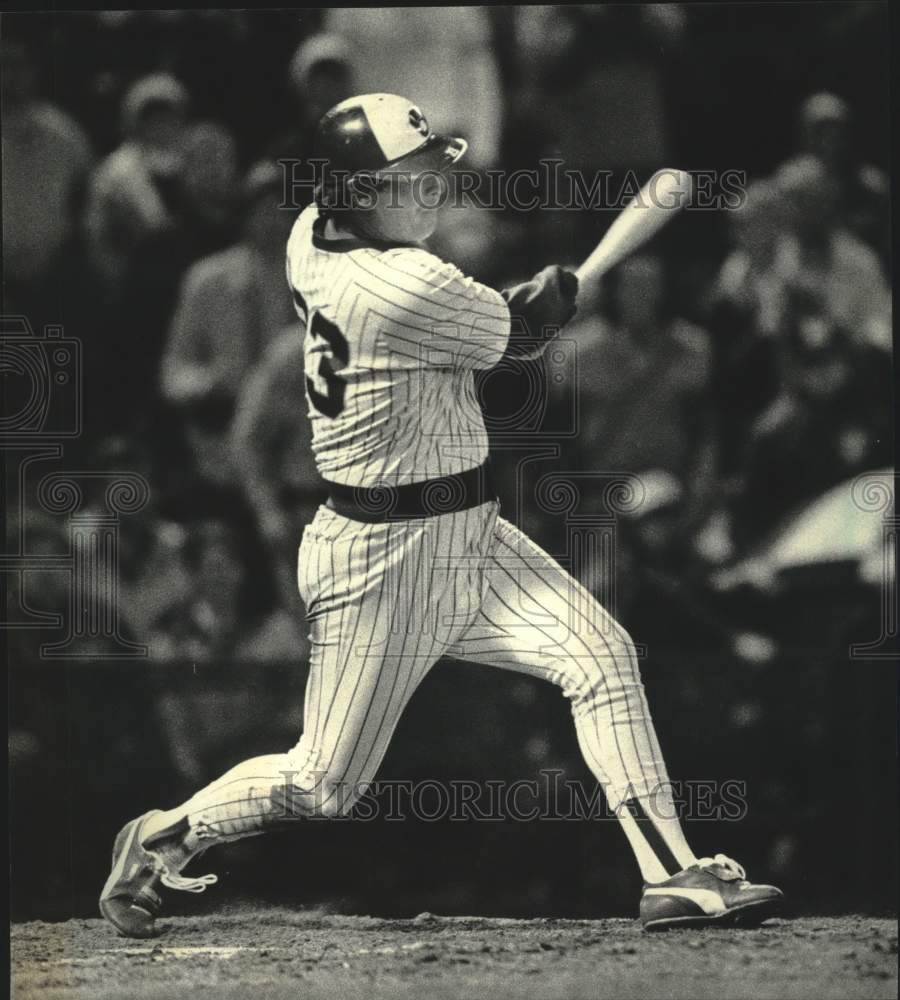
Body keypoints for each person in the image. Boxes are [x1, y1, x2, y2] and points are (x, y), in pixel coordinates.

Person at [100, 93, 783, 938]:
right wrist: (548, 298)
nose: (433, 190)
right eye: (410, 179)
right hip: (380, 561)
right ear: (356, 192)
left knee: (603, 657)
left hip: (466, 528)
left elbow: (503, 317)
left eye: (432, 172)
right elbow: (524, 334)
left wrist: (529, 302)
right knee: (325, 783)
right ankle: (164, 836)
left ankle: (673, 874)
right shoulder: (405, 286)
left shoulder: (311, 230)